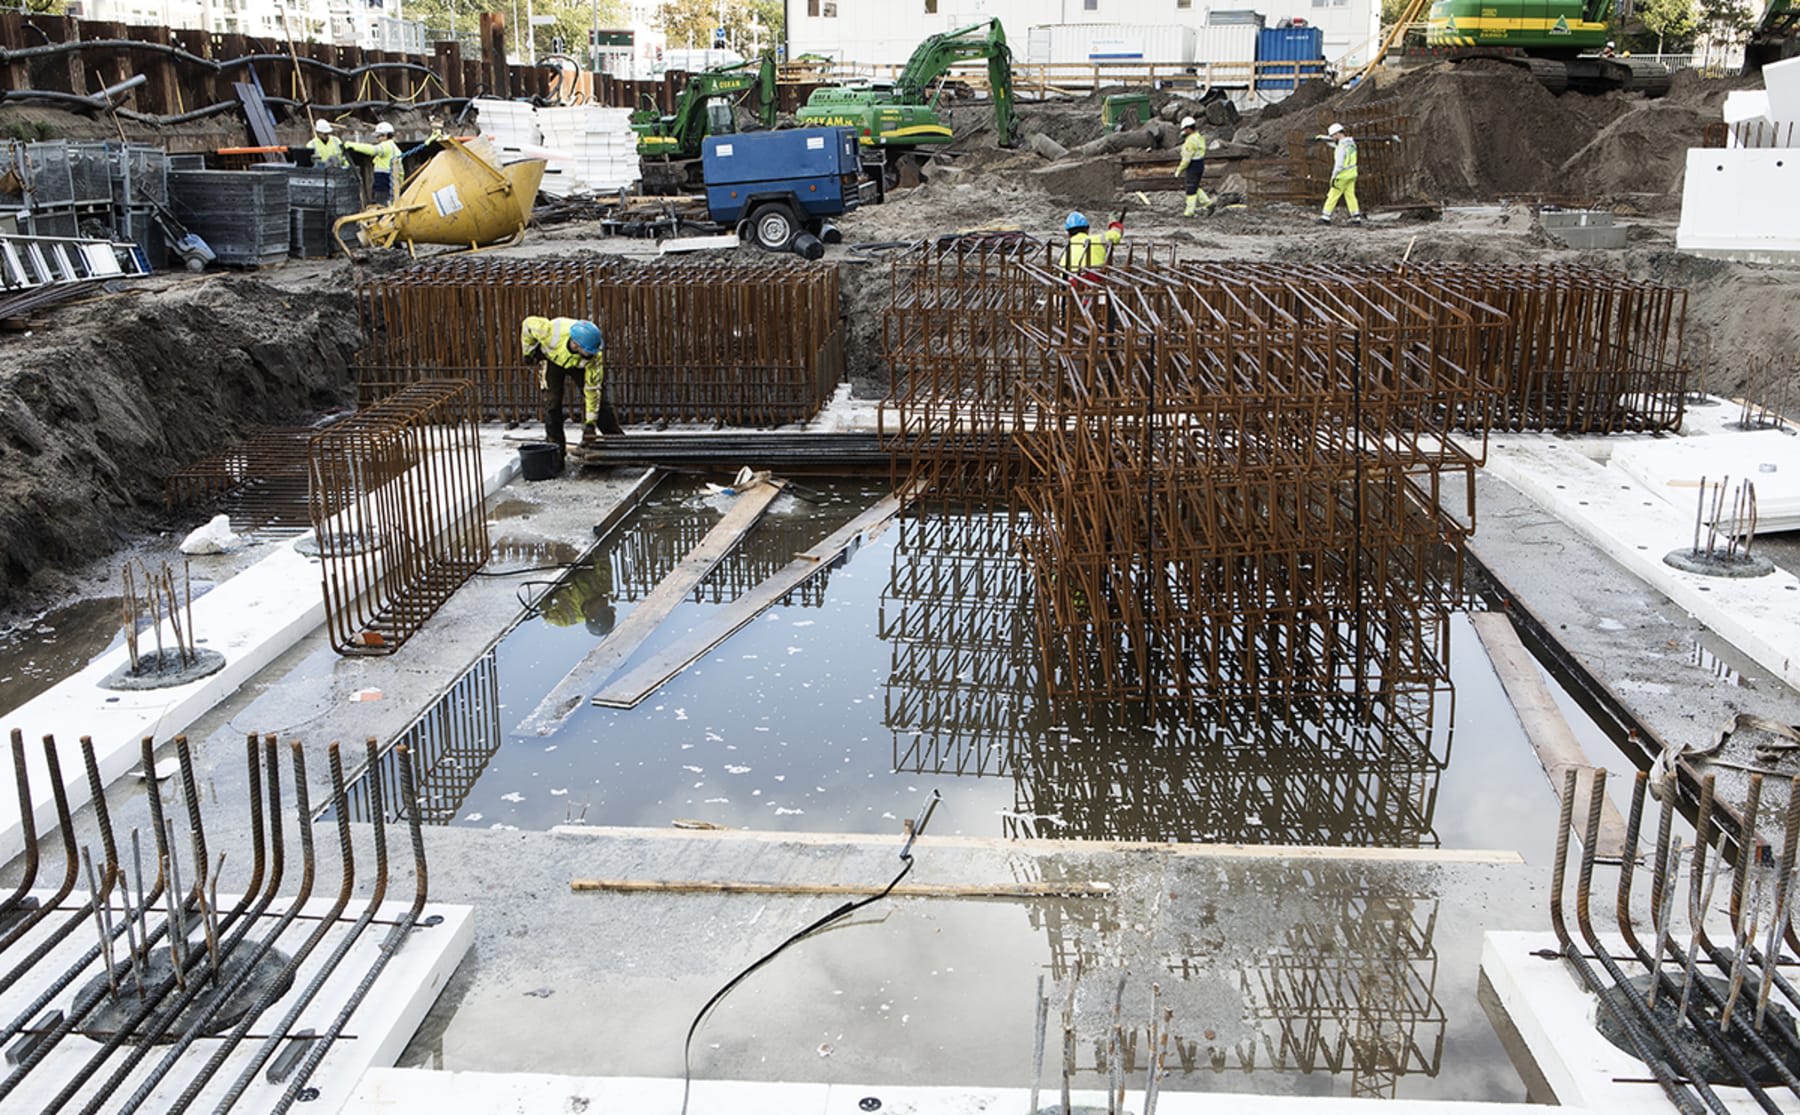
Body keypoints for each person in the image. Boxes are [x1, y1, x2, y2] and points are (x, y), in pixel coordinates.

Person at [521, 316, 618, 459]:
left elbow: (592, 391)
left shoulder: (593, 358)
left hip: (578, 366)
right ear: (575, 344)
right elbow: (528, 324)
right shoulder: (548, 332)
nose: (593, 354)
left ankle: (617, 442)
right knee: (551, 404)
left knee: (601, 403)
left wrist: (590, 424)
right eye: (589, 351)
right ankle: (556, 450)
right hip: (552, 359)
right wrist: (528, 352)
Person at [1316, 122, 1362, 226]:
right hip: (1352, 173)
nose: (1332, 138)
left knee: (1333, 195)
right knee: (1350, 196)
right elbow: (1335, 145)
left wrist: (1333, 177)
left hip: (1342, 175)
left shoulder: (1341, 147)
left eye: (1332, 136)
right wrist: (1323, 138)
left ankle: (1325, 217)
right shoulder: (1351, 143)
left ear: (1337, 134)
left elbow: (1339, 164)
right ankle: (1356, 217)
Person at [347, 121, 402, 205]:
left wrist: (352, 145)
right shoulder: (394, 148)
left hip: (384, 181)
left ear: (385, 136)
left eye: (378, 136)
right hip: (390, 182)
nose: (377, 139)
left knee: (382, 205)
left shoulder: (386, 146)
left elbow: (372, 150)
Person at [1058, 210, 1123, 276]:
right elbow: (1115, 234)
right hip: (1093, 279)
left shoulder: (1065, 250)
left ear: (1068, 234)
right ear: (1087, 230)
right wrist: (1114, 224)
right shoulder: (1098, 240)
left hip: (1069, 281)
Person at [1176, 115, 1214, 217]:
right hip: (1200, 164)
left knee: (1191, 188)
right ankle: (1208, 203)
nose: (1184, 131)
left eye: (1185, 129)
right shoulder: (1199, 137)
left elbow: (1186, 158)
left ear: (1188, 128)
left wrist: (1179, 170)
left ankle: (1189, 212)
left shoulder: (1190, 141)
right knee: (1195, 185)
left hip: (1192, 165)